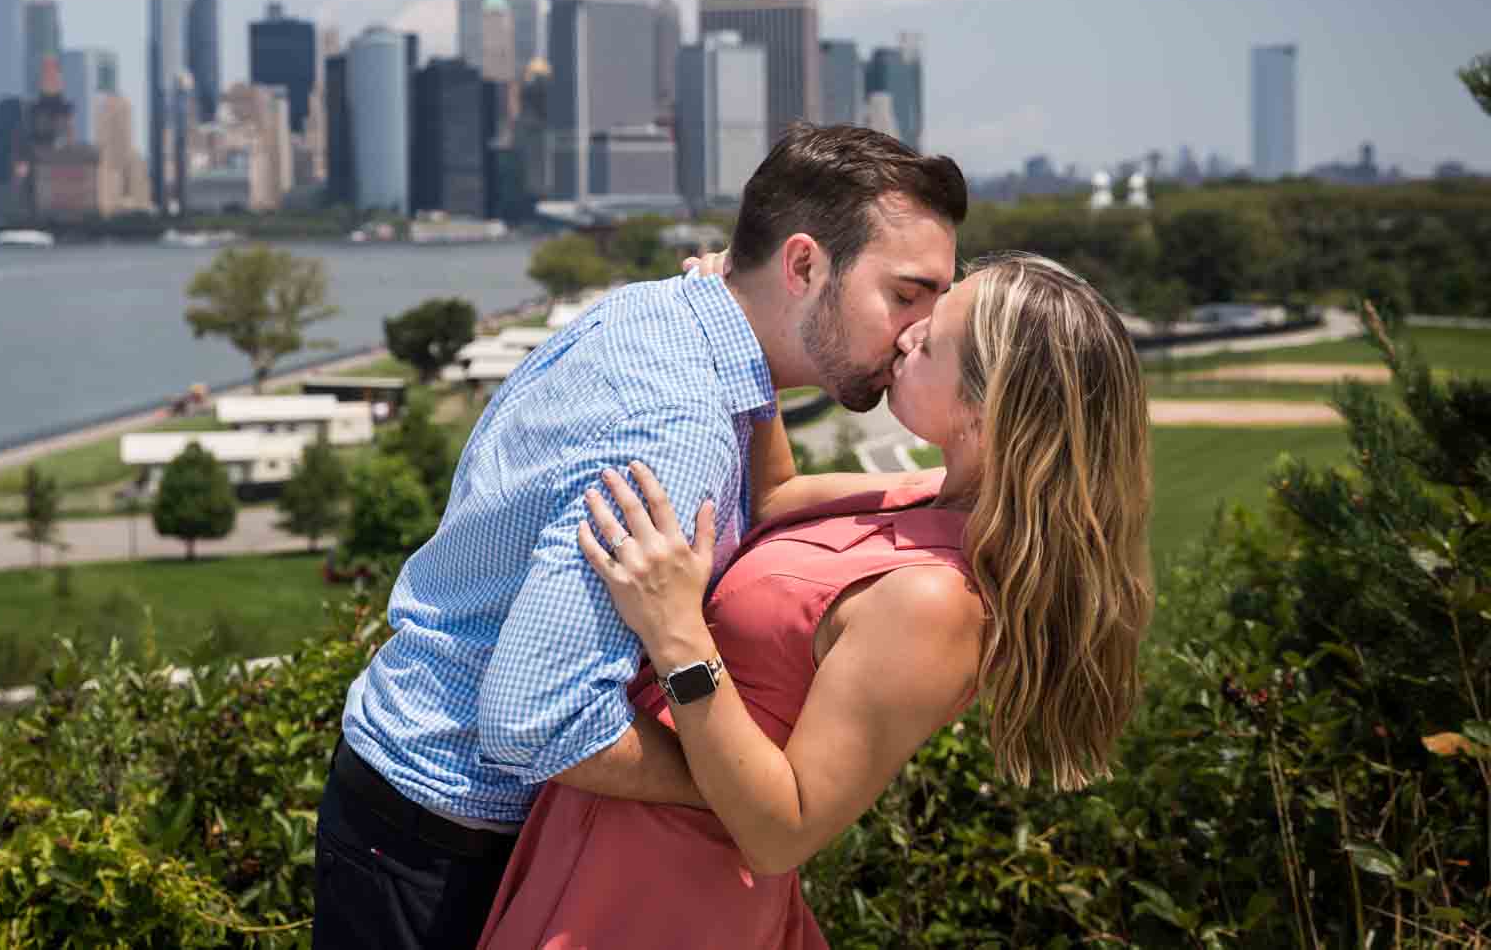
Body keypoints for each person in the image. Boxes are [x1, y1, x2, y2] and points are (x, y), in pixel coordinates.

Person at [312, 124, 969, 950]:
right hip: (443, 844)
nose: (917, 330)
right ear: (803, 265)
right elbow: (531, 718)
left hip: (402, 800)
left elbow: (768, 497)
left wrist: (943, 491)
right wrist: (743, 787)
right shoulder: (679, 425)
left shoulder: (668, 316)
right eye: (907, 295)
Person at [474, 251, 1155, 948]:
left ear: (986, 409)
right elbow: (774, 499)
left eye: (933, 337)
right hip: (600, 836)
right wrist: (748, 322)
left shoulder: (936, 599)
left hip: (665, 894)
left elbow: (783, 832)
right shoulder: (925, 493)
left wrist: (678, 630)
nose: (906, 334)